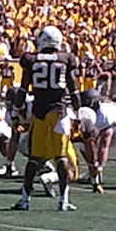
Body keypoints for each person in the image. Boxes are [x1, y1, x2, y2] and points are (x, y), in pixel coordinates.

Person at [12, 26, 79, 212]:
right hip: (60, 113)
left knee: (34, 159)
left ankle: (25, 200)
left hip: (39, 113)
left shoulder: (31, 59)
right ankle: (63, 200)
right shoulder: (66, 59)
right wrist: (78, 112)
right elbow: (74, 90)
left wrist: (16, 111)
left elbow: (23, 90)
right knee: (61, 157)